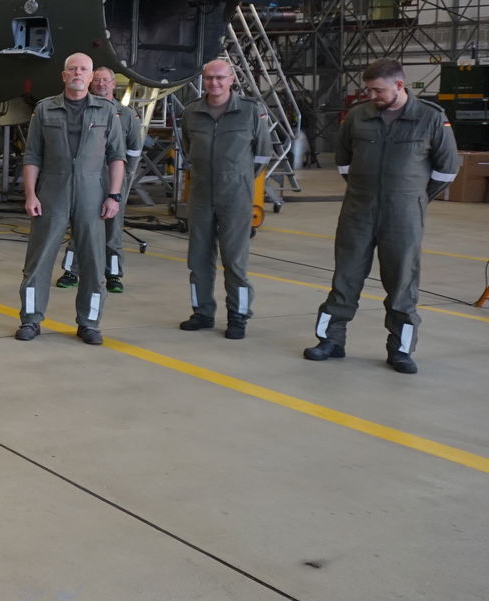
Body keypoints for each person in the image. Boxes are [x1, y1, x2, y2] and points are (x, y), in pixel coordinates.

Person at [304, 58, 459, 374]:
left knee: (402, 282)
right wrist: (365, 191)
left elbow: (447, 169)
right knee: (345, 277)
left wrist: (414, 198)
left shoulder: (430, 118)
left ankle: (400, 350)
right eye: (369, 90)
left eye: (378, 90)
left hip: (403, 216)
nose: (372, 96)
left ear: (399, 85)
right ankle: (331, 340)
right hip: (358, 211)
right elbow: (344, 161)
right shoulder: (358, 116)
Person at [15, 52, 125, 345]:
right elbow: (32, 156)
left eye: (83, 69)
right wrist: (30, 194)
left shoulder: (106, 111)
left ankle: (90, 323)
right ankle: (30, 319)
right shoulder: (45, 109)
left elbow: (117, 157)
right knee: (38, 260)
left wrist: (114, 196)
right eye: (72, 69)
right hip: (52, 190)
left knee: (93, 261)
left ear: (91, 76)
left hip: (92, 193)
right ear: (64, 76)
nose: (77, 73)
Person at [178, 59, 272, 339]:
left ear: (232, 79)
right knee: (198, 259)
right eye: (209, 78)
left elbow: (262, 153)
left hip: (235, 197)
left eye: (220, 77)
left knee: (235, 260)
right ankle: (202, 312)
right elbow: (188, 148)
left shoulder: (250, 111)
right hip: (200, 195)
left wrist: (239, 177)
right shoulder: (192, 112)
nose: (214, 83)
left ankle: (238, 316)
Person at [56, 67, 143, 293]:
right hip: (86, 179)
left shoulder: (126, 115)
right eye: (97, 80)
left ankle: (113, 274)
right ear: (90, 83)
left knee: (113, 229)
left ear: (113, 84)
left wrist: (125, 177)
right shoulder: (84, 110)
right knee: (80, 226)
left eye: (105, 80)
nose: (101, 84)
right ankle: (71, 271)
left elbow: (134, 149)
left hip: (113, 179)